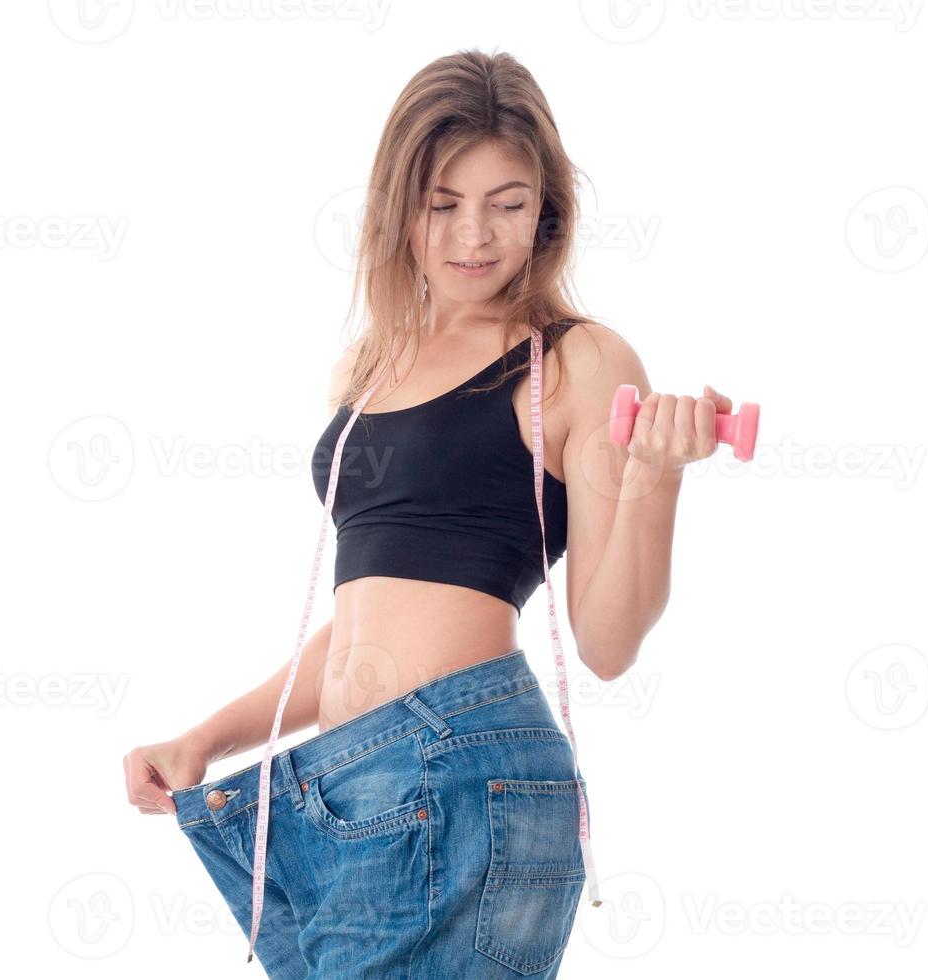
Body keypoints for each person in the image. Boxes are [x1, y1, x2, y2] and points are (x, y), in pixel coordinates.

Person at [123, 48, 731, 978]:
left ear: (548, 209)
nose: (474, 235)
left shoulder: (577, 361)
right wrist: (204, 738)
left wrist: (660, 476)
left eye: (509, 202)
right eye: (443, 204)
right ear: (396, 209)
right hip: (353, 782)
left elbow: (607, 643)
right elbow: (371, 618)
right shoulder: (372, 367)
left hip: (457, 767)